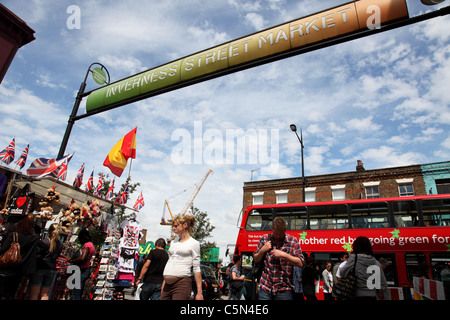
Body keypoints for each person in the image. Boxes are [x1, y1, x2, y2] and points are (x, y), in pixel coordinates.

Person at [253, 217, 304, 300]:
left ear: (285, 230)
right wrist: (263, 250)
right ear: (272, 229)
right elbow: (256, 259)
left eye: (281, 234)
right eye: (276, 233)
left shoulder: (293, 241)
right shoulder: (265, 239)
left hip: (285, 289)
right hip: (265, 287)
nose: (278, 236)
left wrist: (284, 255)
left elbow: (300, 263)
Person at [161, 215, 203, 300]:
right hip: (167, 285)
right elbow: (170, 263)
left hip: (182, 283)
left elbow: (196, 268)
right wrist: (164, 284)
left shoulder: (193, 243)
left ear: (185, 225)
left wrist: (199, 293)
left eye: (176, 226)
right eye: (173, 226)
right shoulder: (173, 242)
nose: (173, 228)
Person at [0, 215, 38, 300]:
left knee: (2, 288)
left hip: (8, 266)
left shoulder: (14, 235)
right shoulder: (33, 238)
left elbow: (3, 249)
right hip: (20, 268)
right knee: (11, 292)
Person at [28, 223, 63, 300]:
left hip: (41, 267)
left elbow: (37, 254)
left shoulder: (45, 242)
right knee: (45, 294)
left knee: (34, 294)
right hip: (52, 268)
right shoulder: (60, 243)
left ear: (49, 231)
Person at [69, 228, 95, 300]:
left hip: (81, 270)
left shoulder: (87, 245)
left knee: (76, 292)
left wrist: (71, 261)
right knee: (79, 291)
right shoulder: (91, 244)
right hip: (86, 270)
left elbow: (82, 258)